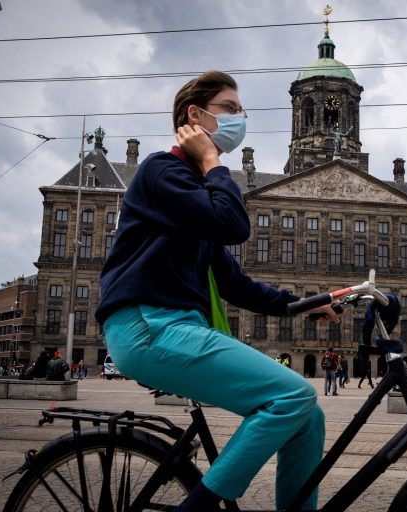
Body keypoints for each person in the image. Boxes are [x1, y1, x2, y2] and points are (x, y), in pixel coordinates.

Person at [95, 71, 339, 512]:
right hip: (149, 327)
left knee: (308, 417)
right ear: (195, 115)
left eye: (240, 110)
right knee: (294, 394)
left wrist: (307, 304)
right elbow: (233, 225)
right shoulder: (161, 171)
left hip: (174, 327)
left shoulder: (194, 194)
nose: (239, 117)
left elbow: (234, 283)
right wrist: (212, 162)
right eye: (230, 109)